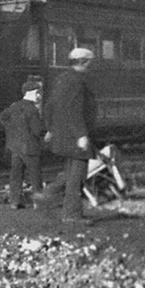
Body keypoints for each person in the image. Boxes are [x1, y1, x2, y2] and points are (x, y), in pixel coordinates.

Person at [43, 47, 97, 225]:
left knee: (70, 172)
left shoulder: (61, 79)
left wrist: (50, 128)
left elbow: (49, 105)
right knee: (77, 176)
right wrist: (81, 134)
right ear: (84, 62)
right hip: (74, 137)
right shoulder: (77, 81)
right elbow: (74, 110)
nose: (92, 65)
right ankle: (72, 215)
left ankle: (46, 195)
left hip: (62, 134)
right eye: (90, 61)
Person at [0, 80, 44, 209]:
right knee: (35, 176)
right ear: (31, 93)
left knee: (16, 175)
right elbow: (37, 130)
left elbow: (2, 117)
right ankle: (38, 203)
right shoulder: (32, 109)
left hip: (15, 147)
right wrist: (45, 135)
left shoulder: (14, 106)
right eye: (38, 93)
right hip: (30, 147)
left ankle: (15, 201)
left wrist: (11, 130)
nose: (39, 96)